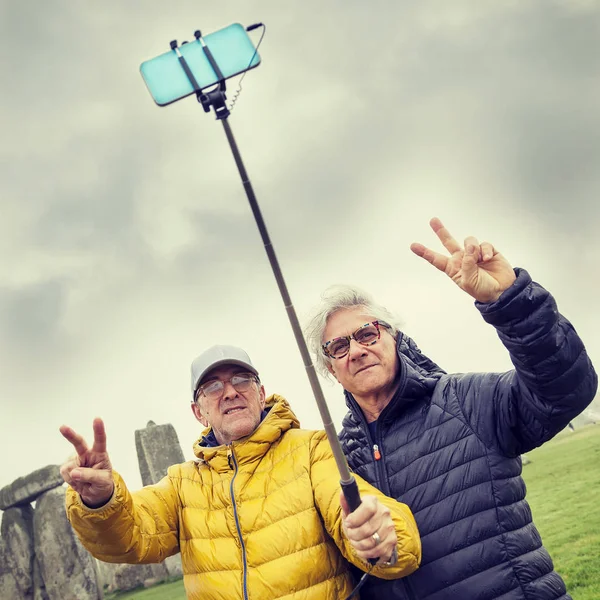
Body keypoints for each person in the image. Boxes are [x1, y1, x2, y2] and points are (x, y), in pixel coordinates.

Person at [304, 218, 598, 600]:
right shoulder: (339, 460)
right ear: (331, 369)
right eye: (338, 347)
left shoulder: (465, 400)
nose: (356, 350)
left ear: (393, 335)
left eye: (366, 333)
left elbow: (563, 392)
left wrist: (509, 303)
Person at [60, 345, 422, 600]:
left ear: (261, 392)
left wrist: (383, 538)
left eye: (242, 379)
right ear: (198, 412)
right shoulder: (182, 484)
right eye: (213, 386)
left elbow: (375, 524)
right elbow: (130, 537)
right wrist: (99, 500)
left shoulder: (310, 449)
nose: (230, 391)